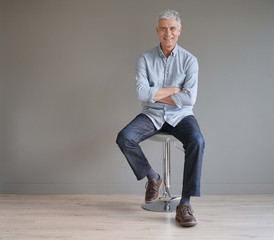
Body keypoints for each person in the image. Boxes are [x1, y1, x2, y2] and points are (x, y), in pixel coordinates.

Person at [116, 9, 205, 227]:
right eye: (163, 28)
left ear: (179, 30)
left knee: (197, 142)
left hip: (181, 116)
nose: (168, 33)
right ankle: (153, 178)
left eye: (172, 28)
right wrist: (173, 91)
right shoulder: (145, 59)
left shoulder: (190, 60)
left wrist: (156, 93)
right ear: (157, 31)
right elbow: (141, 93)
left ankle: (184, 204)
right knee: (124, 138)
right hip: (152, 115)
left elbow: (189, 99)